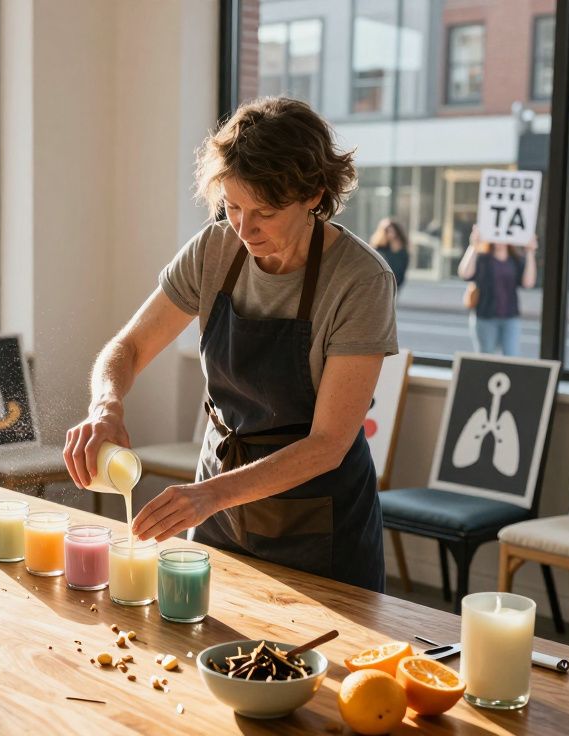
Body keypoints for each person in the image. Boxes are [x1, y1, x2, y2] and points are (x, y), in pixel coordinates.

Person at [62, 98, 398, 593]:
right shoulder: (213, 250)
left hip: (318, 524)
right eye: (233, 206)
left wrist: (208, 496)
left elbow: (328, 444)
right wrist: (105, 404)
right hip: (219, 507)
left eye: (265, 211)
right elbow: (128, 347)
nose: (244, 228)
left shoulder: (361, 280)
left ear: (314, 195)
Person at [457, 225, 537, 356]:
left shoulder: (516, 261)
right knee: (487, 357)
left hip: (510, 317)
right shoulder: (482, 259)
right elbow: (465, 273)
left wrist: (530, 252)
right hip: (485, 317)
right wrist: (473, 246)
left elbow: (528, 283)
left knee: (512, 356)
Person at [369, 217, 409, 291]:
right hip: (380, 283)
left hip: (396, 283)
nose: (391, 234)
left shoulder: (402, 250)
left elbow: (402, 269)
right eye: (388, 231)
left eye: (393, 231)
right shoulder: (378, 249)